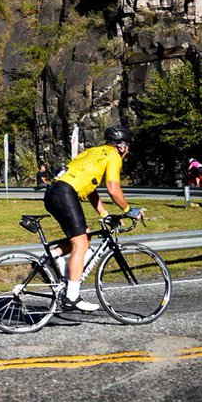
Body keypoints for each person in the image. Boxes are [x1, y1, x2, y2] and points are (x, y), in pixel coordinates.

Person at [43, 126, 144, 313]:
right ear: (121, 146)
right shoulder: (113, 156)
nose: (128, 151)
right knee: (81, 245)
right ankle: (72, 297)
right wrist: (129, 210)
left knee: (85, 237)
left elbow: (91, 190)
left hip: (54, 192)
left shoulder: (93, 152)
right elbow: (113, 189)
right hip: (65, 193)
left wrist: (104, 214)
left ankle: (52, 257)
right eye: (127, 146)